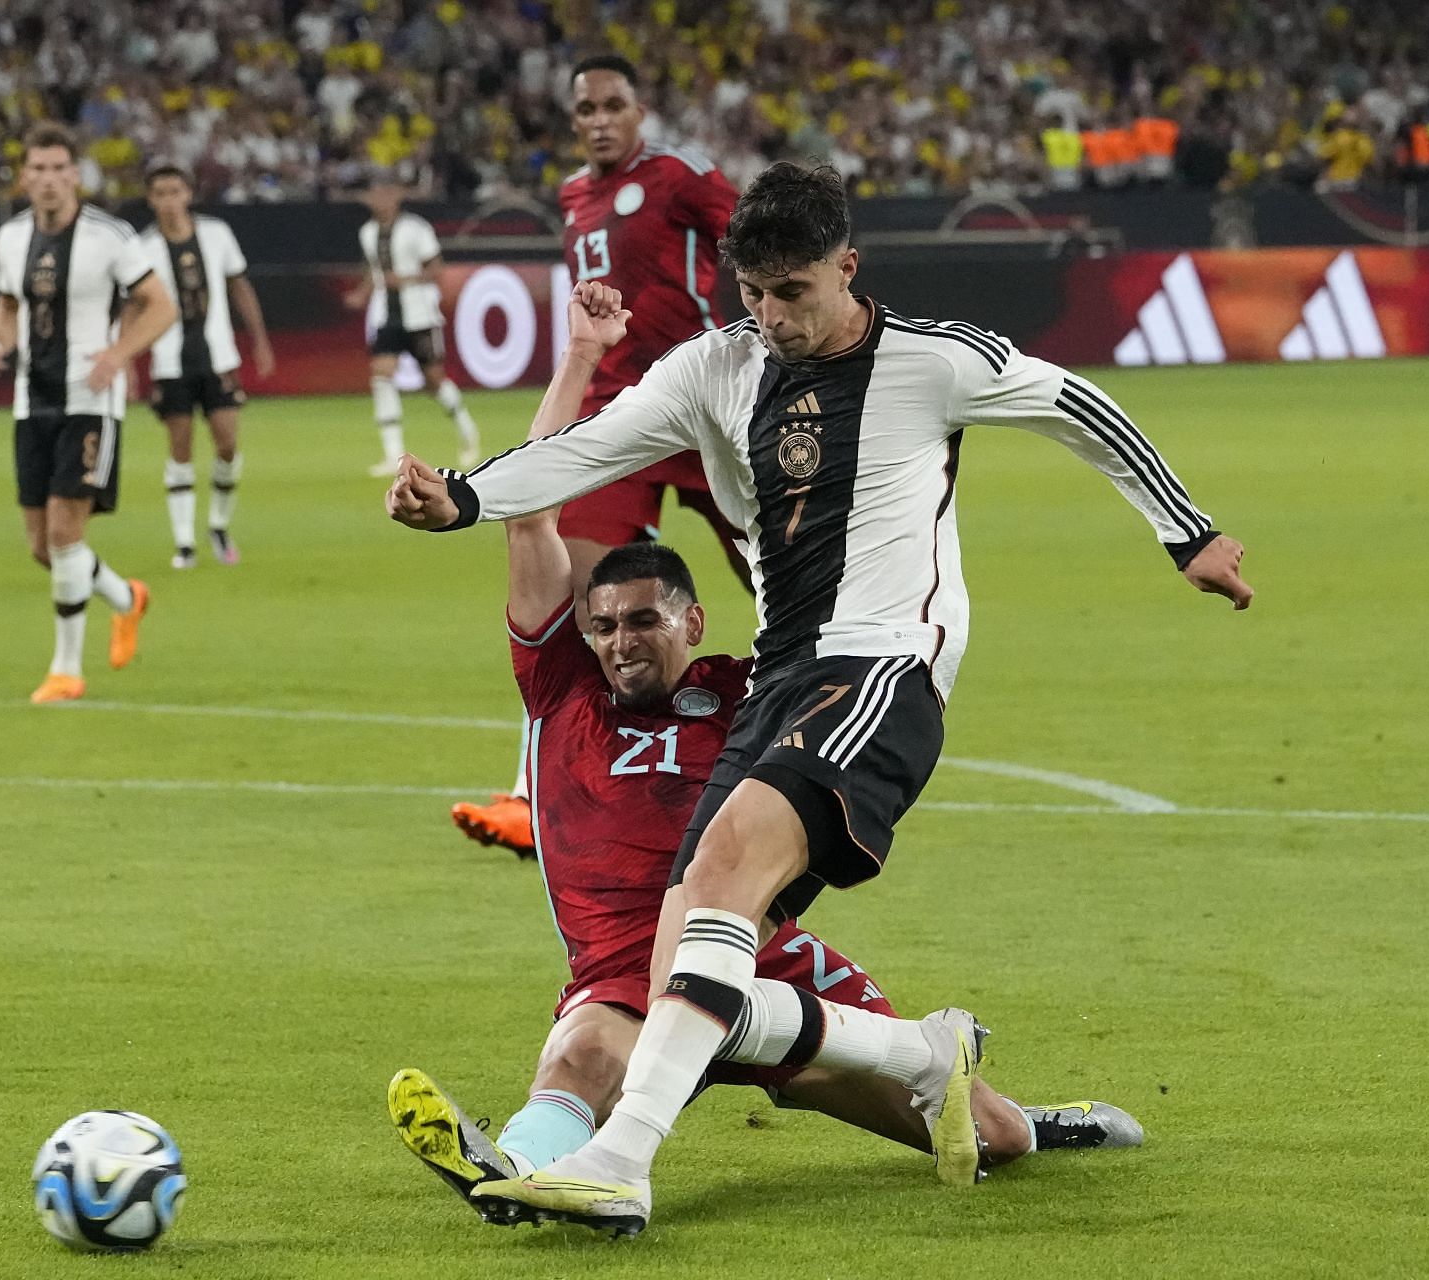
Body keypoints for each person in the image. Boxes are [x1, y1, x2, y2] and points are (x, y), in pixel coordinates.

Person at [388, 163, 1253, 1233]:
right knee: (681, 973)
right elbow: (586, 451)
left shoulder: (934, 361)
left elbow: (1077, 404)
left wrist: (1188, 531)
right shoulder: (717, 367)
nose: (771, 316)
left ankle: (620, 1161)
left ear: (847, 267)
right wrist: (465, 498)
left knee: (719, 875)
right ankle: (921, 1054)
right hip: (786, 677)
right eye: (752, 292)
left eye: (791, 291)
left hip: (884, 665)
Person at [450, 55, 747, 861]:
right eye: (587, 109)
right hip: (619, 422)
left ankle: (814, 740)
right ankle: (530, 795)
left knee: (785, 580)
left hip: (702, 406)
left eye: (615, 104)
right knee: (574, 597)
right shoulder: (573, 196)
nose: (601, 119)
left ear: (639, 107)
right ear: (573, 119)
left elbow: (756, 240)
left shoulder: (683, 177)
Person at [0, 123, 177, 705]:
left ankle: (66, 669)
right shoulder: (11, 238)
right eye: (37, 169)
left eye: (60, 168)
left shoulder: (109, 237)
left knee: (65, 533)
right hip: (29, 400)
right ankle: (125, 597)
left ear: (76, 175)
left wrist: (119, 355)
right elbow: (8, 303)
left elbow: (160, 306)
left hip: (90, 400)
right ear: (25, 176)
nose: (49, 180)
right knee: (42, 546)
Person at [137, 162, 276, 569]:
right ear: (150, 199)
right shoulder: (143, 247)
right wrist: (125, 357)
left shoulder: (216, 235)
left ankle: (217, 524)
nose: (168, 201)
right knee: (180, 449)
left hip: (218, 357)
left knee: (227, 443)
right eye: (159, 193)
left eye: (174, 191)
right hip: (169, 360)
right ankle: (184, 543)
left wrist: (260, 340)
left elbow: (239, 285)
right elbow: (134, 305)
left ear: (188, 194)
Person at [344, 170, 479, 479]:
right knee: (382, 375)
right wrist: (362, 294)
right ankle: (392, 454)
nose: (380, 199)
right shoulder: (367, 233)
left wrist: (404, 280)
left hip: (419, 315)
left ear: (396, 196)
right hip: (385, 317)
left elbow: (436, 268)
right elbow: (373, 272)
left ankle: (466, 428)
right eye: (374, 194)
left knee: (433, 381)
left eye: (385, 193)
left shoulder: (416, 229)